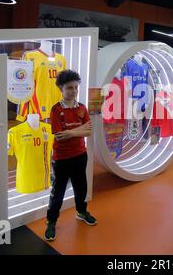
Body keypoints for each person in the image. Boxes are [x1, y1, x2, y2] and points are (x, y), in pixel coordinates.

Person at [45, 70, 96, 241]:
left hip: (80, 155)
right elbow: (59, 135)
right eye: (69, 88)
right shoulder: (55, 110)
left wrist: (71, 132)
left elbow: (88, 131)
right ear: (61, 88)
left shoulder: (82, 108)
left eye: (76, 87)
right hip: (61, 158)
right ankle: (51, 221)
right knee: (57, 192)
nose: (73, 91)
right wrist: (78, 130)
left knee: (81, 187)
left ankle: (81, 212)